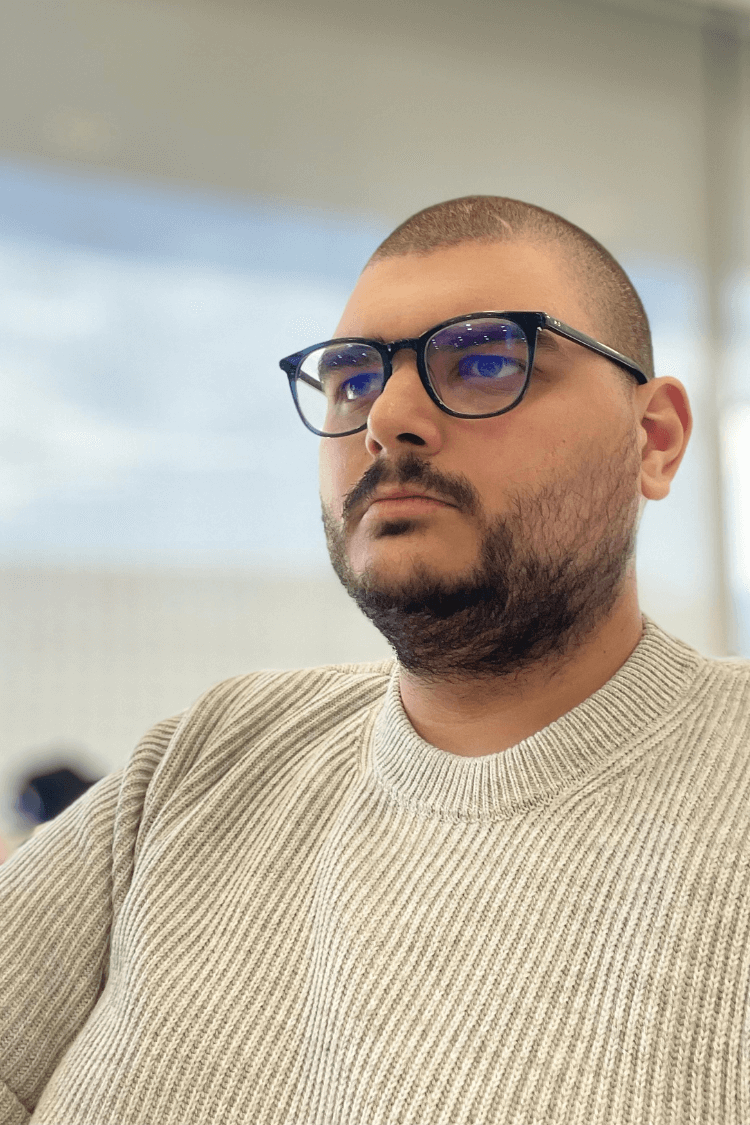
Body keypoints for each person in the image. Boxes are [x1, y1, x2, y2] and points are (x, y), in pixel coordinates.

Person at [1, 195, 749, 1125]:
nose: (387, 419)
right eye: (352, 378)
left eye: (483, 361)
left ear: (657, 438)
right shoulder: (208, 755)